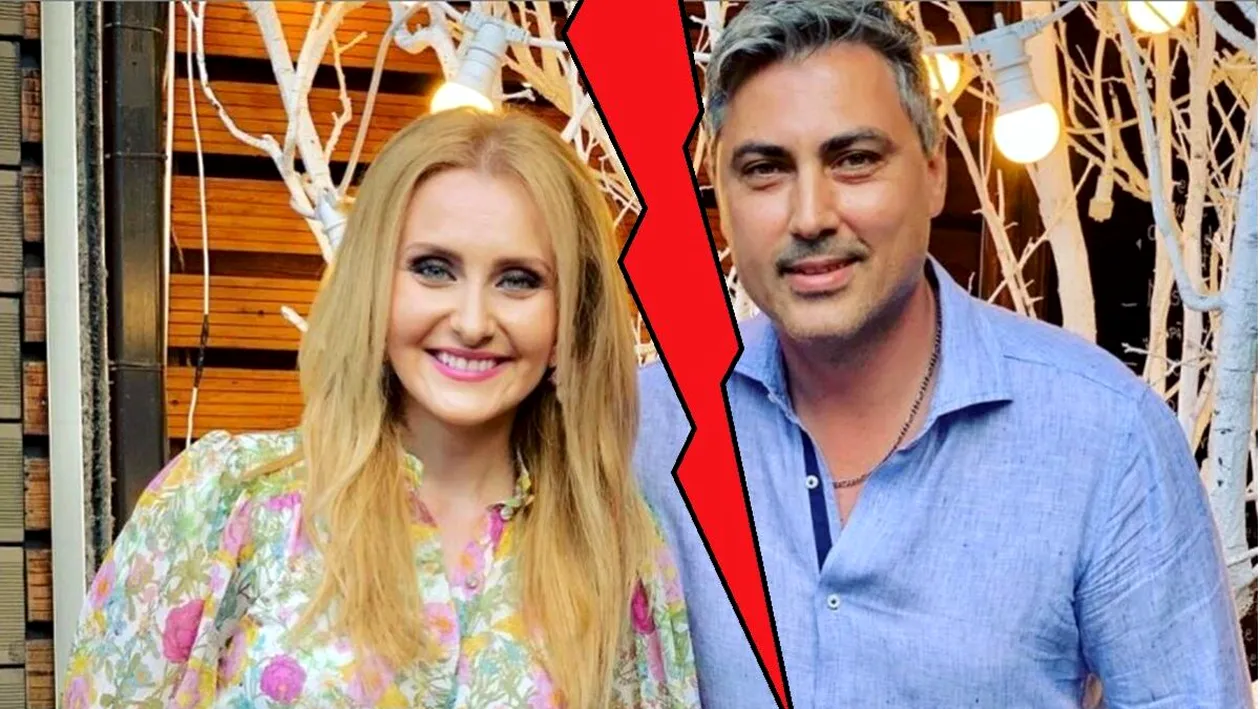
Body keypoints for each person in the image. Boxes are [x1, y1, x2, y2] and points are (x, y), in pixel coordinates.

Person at [634, 1, 1253, 707]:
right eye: (765, 169)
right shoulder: (644, 429)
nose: (810, 216)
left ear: (934, 173)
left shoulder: (1106, 436)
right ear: (721, 197)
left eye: (855, 160)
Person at [63, 108, 700, 708]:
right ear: (374, 282)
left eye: (519, 280)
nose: (472, 321)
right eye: (434, 269)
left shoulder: (617, 550)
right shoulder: (226, 502)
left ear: (570, 318)